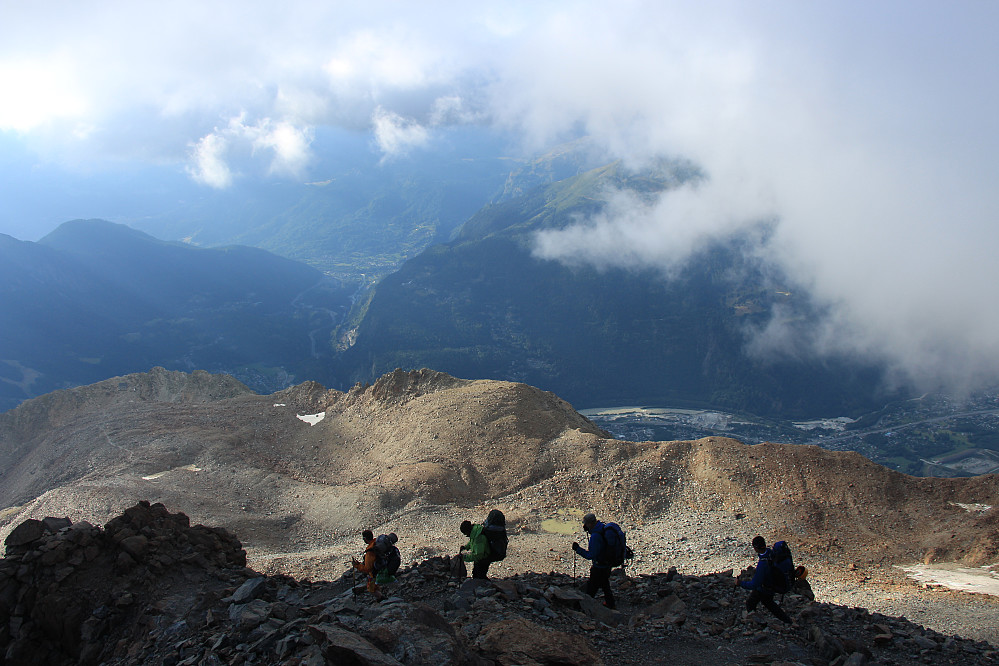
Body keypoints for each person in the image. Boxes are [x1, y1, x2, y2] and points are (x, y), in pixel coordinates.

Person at [736, 535, 792, 624]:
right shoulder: (771, 554)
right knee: (769, 604)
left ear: (755, 548)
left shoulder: (763, 563)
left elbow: (755, 584)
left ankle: (758, 624)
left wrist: (740, 583)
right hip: (772, 586)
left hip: (764, 588)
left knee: (751, 603)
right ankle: (787, 621)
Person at [571, 513, 616, 609]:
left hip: (599, 567)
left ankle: (583, 607)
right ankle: (610, 604)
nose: (585, 526)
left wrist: (578, 549)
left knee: (592, 588)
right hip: (607, 565)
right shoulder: (602, 528)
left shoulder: (595, 536)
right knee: (605, 585)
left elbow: (590, 555)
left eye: (586, 524)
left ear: (590, 524)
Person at [351, 529, 382, 598]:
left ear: (365, 538)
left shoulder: (370, 551)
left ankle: (381, 599)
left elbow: (368, 568)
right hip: (382, 569)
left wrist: (357, 565)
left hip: (375, 573)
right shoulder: (377, 543)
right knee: (376, 586)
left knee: (371, 589)